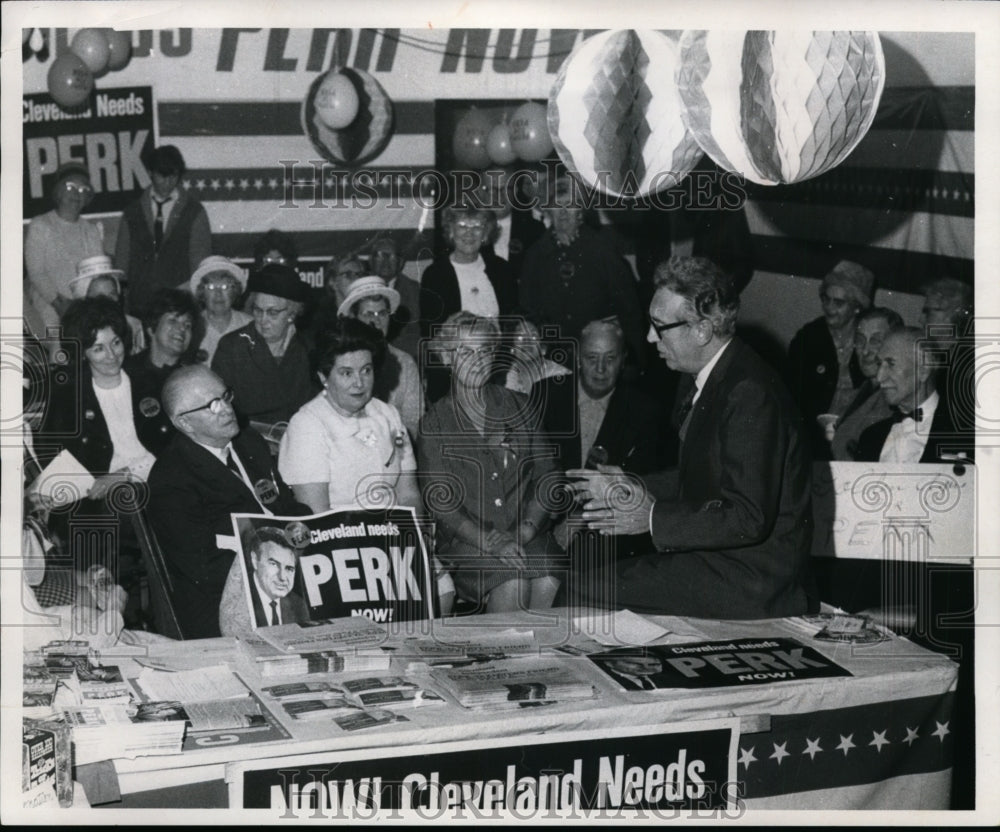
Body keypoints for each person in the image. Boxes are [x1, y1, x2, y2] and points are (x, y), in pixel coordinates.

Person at [568, 256, 815, 620]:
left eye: (659, 326)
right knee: (589, 581)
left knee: (580, 589)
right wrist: (631, 484)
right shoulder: (721, 375)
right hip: (723, 563)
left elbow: (747, 517)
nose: (650, 338)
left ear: (701, 330)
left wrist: (650, 517)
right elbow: (702, 476)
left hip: (752, 580)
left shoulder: (749, 393)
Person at [276, 318, 455, 614]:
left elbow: (408, 493)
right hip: (337, 549)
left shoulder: (387, 415)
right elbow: (317, 518)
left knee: (442, 591)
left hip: (392, 540)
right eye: (346, 373)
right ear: (323, 376)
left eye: (366, 370)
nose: (359, 383)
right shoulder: (308, 425)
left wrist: (415, 544)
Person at [147, 365, 309, 639]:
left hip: (287, 578)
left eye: (225, 396)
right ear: (184, 423)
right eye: (211, 405)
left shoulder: (249, 442)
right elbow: (204, 568)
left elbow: (285, 507)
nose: (226, 408)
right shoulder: (171, 479)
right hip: (225, 605)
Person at [418, 312, 562, 613]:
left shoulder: (520, 406)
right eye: (465, 352)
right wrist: (491, 543)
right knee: (513, 582)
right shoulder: (434, 424)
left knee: (549, 577)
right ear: (446, 358)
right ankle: (504, 656)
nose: (477, 360)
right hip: (468, 540)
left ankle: (542, 658)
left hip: (525, 532)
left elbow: (548, 475)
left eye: (484, 351)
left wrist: (526, 529)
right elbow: (441, 504)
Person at [518, 174, 645, 366]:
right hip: (552, 359)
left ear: (581, 210)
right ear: (548, 210)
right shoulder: (536, 254)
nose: (563, 212)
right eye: (556, 204)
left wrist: (636, 362)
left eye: (570, 204)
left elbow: (629, 309)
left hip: (598, 360)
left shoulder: (602, 250)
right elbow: (527, 308)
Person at [536, 317, 660, 473]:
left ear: (623, 360)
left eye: (610, 358)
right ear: (578, 356)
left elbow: (642, 475)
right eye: (592, 357)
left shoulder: (643, 411)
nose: (600, 368)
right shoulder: (545, 394)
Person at [211, 263, 315, 425]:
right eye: (258, 310)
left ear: (292, 314)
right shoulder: (232, 347)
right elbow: (218, 405)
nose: (263, 320)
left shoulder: (309, 349)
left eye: (272, 312)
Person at [115, 145, 211, 317]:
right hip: (139, 307)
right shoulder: (131, 212)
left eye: (173, 176)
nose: (168, 182)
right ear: (150, 172)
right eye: (162, 176)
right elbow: (121, 265)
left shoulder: (195, 212)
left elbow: (201, 268)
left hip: (179, 306)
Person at [854, 327, 975, 464]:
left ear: (923, 370)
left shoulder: (965, 435)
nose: (880, 377)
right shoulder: (870, 437)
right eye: (879, 364)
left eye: (891, 364)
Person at [24, 162, 106, 361]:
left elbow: (97, 275)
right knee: (62, 344)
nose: (77, 194)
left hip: (84, 304)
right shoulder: (40, 225)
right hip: (49, 305)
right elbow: (36, 272)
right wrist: (60, 304)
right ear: (58, 192)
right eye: (70, 187)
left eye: (83, 189)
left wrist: (84, 306)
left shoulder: (90, 230)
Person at [787, 260, 874, 434]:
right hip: (813, 430)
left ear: (857, 307)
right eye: (826, 299)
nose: (829, 308)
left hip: (857, 429)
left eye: (838, 302)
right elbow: (791, 394)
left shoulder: (869, 338)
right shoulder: (808, 337)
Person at [338, 275, 424, 438]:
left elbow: (414, 422)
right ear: (354, 318)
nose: (376, 321)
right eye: (368, 314)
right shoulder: (339, 362)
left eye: (382, 314)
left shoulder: (404, 363)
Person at [123, 288, 199, 456]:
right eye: (173, 321)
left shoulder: (195, 379)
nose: (182, 329)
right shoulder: (126, 374)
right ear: (151, 328)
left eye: (187, 325)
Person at [829, 307, 903, 461]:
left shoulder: (894, 400)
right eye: (860, 340)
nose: (865, 351)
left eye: (875, 341)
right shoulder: (862, 391)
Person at [218, 526, 311, 637]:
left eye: (289, 569)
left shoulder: (297, 604)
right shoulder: (239, 597)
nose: (282, 577)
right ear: (254, 560)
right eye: (274, 564)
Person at [68, 254, 145, 354]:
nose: (107, 302)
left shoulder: (133, 325)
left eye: (111, 295)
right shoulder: (72, 332)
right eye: (100, 297)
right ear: (85, 299)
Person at [189, 255, 251, 365]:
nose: (218, 294)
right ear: (202, 293)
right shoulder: (191, 327)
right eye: (211, 287)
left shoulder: (250, 325)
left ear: (235, 291)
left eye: (225, 287)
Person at [369, 236, 423, 360]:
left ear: (401, 262)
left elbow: (418, 334)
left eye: (392, 256)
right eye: (380, 255)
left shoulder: (415, 291)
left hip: (404, 358)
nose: (386, 261)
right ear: (371, 261)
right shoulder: (359, 289)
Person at [502, 317, 571, 395]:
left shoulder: (559, 376)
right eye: (520, 337)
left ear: (542, 348)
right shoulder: (508, 378)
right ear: (512, 348)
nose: (527, 341)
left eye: (533, 336)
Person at [599, 654, 663, 692]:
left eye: (651, 664)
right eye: (634, 663)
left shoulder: (667, 678)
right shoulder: (603, 683)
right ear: (609, 663)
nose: (645, 667)